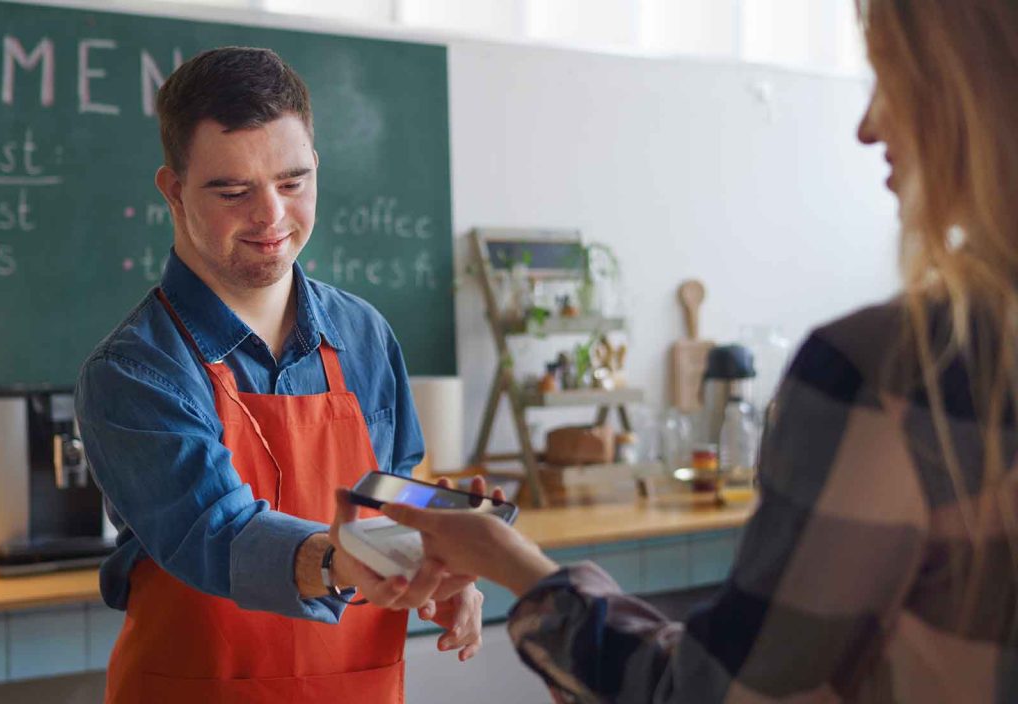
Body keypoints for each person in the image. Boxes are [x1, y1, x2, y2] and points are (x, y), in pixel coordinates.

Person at [382, 1, 1018, 701]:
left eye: (890, 80)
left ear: (973, 90)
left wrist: (519, 567)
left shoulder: (884, 370)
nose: (867, 126)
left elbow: (708, 695)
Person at [75, 47, 482, 704]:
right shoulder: (135, 369)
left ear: (316, 168)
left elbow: (394, 491)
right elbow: (218, 530)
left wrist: (443, 552)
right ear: (173, 190)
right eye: (233, 191)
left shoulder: (364, 334)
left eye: (292, 183)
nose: (270, 218)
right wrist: (345, 560)